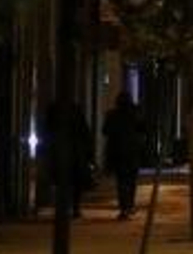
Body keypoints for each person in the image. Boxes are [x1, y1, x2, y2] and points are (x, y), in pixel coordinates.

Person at [41, 100, 94, 217]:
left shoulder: (53, 109)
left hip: (61, 151)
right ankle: (74, 207)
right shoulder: (75, 109)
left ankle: (64, 207)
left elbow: (46, 131)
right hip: (74, 151)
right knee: (74, 182)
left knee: (63, 181)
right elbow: (84, 131)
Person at [102, 91, 146, 219]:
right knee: (131, 180)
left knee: (121, 180)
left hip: (117, 151)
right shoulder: (135, 113)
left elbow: (105, 131)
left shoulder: (112, 115)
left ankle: (124, 207)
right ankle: (130, 205)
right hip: (132, 151)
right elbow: (143, 128)